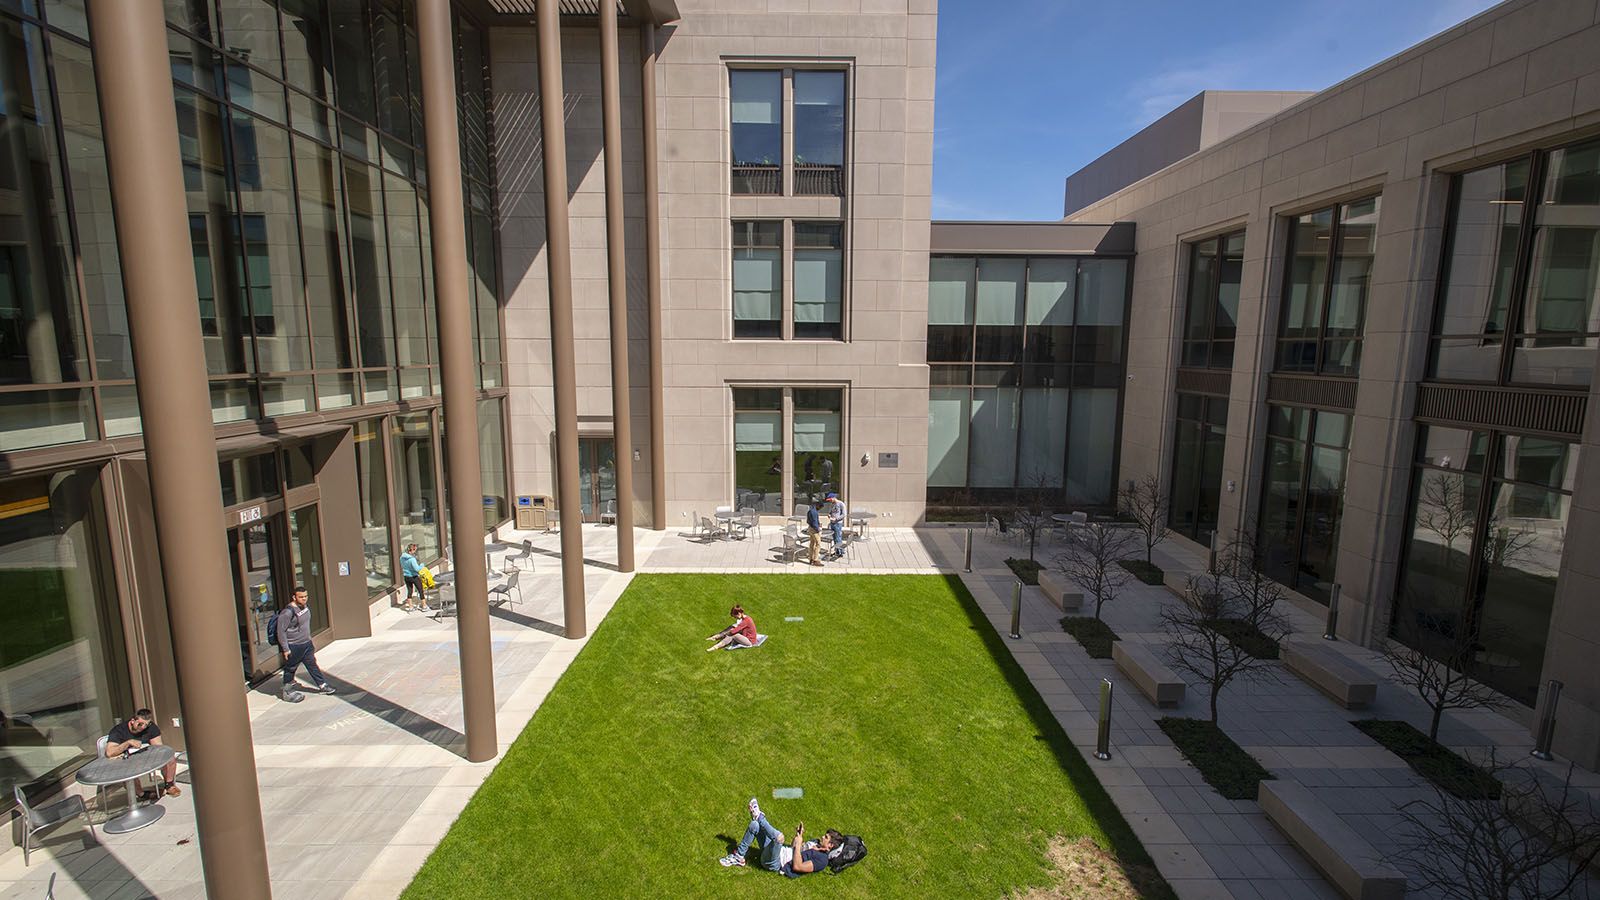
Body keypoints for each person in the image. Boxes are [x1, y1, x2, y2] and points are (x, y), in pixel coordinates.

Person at [718, 798, 837, 876]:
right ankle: (739, 856)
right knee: (754, 825)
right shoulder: (815, 842)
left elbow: (797, 866)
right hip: (778, 851)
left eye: (826, 837)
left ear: (830, 845)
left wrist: (800, 843)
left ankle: (759, 817)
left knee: (779, 838)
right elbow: (792, 848)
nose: (822, 837)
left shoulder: (822, 860)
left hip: (776, 862)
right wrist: (798, 836)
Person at [105, 709, 180, 799]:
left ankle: (169, 785)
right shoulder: (119, 730)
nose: (143, 727)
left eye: (146, 724)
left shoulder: (151, 727)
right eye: (140, 724)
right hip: (128, 759)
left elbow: (159, 748)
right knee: (127, 770)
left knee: (169, 758)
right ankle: (141, 794)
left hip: (146, 756)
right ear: (132, 721)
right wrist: (128, 743)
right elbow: (109, 753)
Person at [276, 586, 335, 701]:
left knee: (312, 664)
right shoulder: (287, 612)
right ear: (294, 597)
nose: (304, 599)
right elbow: (281, 631)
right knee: (290, 668)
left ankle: (322, 685)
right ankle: (287, 690)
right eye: (301, 597)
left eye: (305, 596)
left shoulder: (305, 607)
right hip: (294, 645)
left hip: (306, 644)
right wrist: (286, 648)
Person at [399, 543, 428, 611]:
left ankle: (410, 607)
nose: (415, 552)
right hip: (414, 576)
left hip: (406, 576)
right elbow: (417, 569)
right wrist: (422, 565)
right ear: (412, 550)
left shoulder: (402, 557)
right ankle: (424, 606)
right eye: (415, 550)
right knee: (420, 590)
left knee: (409, 591)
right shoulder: (412, 559)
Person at [825, 492, 847, 559]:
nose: (830, 501)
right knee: (834, 538)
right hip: (832, 522)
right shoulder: (832, 504)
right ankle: (837, 551)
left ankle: (840, 552)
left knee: (838, 537)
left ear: (834, 498)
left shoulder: (841, 504)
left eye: (830, 499)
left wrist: (836, 519)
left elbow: (844, 514)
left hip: (838, 523)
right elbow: (831, 511)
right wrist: (829, 514)